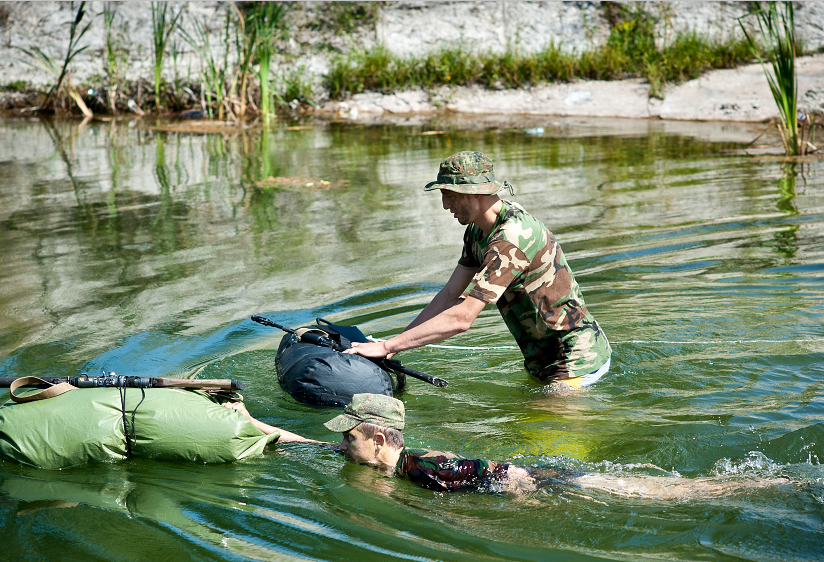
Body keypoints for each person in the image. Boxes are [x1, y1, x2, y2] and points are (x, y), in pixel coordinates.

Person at [343, 150, 612, 389]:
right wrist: (391, 346)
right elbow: (450, 295)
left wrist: (387, 346)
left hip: (575, 359)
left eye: (449, 195)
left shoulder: (512, 239)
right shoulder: (477, 231)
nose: (445, 205)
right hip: (542, 361)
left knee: (553, 442)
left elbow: (462, 318)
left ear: (473, 192)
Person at [224, 394, 790, 499]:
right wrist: (256, 424)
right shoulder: (387, 463)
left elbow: (497, 473)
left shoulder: (424, 468)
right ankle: (759, 483)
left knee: (668, 496)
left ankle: (769, 484)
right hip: (543, 478)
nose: (341, 446)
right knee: (664, 490)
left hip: (548, 483)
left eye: (349, 436)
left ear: (377, 438)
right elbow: (308, 445)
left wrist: (529, 500)